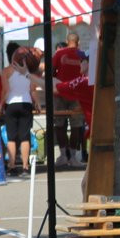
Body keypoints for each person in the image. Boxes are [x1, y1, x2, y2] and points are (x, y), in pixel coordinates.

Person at [0, 45, 42, 177]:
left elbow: (5, 91)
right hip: (26, 103)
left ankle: (11, 166)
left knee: (11, 138)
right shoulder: (28, 70)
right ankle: (25, 167)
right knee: (25, 137)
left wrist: (0, 106)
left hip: (11, 104)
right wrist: (38, 103)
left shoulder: (6, 71)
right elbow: (33, 89)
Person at [51, 32, 86, 168]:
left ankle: (63, 155)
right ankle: (73, 156)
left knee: (59, 124)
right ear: (78, 42)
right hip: (77, 92)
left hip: (60, 91)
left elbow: (52, 72)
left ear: (67, 41)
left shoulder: (59, 54)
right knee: (76, 125)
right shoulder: (83, 55)